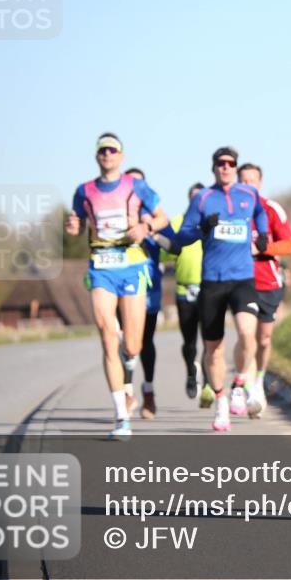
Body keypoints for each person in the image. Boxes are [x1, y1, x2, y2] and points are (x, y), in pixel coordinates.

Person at [65, 133, 168, 439]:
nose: (107, 154)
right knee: (107, 338)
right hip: (101, 268)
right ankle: (121, 416)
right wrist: (73, 226)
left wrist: (145, 227)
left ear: (121, 156)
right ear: (96, 156)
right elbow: (78, 223)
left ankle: (128, 349)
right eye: (102, 150)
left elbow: (162, 218)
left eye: (112, 150)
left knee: (132, 346)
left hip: (133, 267)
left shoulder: (136, 186)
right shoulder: (84, 191)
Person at [175, 147, 268, 432]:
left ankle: (239, 383)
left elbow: (260, 213)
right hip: (213, 281)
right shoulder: (203, 198)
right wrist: (202, 228)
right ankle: (220, 401)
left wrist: (263, 234)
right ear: (213, 167)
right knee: (213, 349)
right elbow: (182, 236)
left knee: (248, 334)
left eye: (230, 163)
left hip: (242, 278)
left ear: (235, 167)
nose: (226, 167)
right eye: (221, 163)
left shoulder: (248, 194)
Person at [235, 162, 291, 418]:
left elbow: (290, 246)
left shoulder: (271, 209)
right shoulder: (230, 210)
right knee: (246, 336)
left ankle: (259, 380)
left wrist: (263, 248)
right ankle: (248, 389)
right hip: (240, 282)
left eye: (252, 181)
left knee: (263, 339)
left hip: (268, 282)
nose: (248, 185)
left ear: (260, 184)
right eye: (243, 180)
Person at [122, 167, 178, 419]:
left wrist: (153, 233)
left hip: (149, 285)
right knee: (123, 340)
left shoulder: (154, 216)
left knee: (145, 341)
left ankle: (148, 390)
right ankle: (126, 391)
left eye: (139, 184)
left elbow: (175, 247)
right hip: (120, 283)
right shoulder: (118, 212)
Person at [165, 183, 211, 405]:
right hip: (184, 289)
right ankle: (192, 373)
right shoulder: (177, 223)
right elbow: (165, 252)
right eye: (194, 198)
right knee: (189, 341)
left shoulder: (213, 223)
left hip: (209, 287)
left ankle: (209, 379)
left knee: (210, 339)